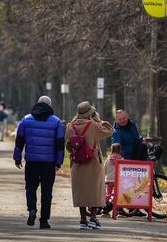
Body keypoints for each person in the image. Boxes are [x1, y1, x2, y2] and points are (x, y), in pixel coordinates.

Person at [13, 96, 65, 229]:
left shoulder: (26, 120)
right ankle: (44, 220)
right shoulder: (56, 122)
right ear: (50, 106)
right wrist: (58, 162)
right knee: (47, 191)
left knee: (30, 187)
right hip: (49, 163)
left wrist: (17, 158)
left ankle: (32, 209)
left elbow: (19, 141)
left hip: (32, 161)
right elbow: (60, 144)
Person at [67, 101, 114, 229]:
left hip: (77, 163)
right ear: (90, 113)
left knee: (81, 191)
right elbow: (109, 131)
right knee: (95, 190)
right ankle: (93, 218)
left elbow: (68, 145)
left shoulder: (70, 126)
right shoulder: (92, 125)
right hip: (93, 162)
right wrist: (100, 121)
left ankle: (83, 220)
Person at [102, 143, 123, 215]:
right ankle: (114, 209)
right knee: (116, 195)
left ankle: (105, 207)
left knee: (108, 194)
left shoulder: (108, 159)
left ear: (111, 150)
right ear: (120, 150)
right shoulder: (121, 160)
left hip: (108, 180)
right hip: (117, 180)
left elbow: (104, 169)